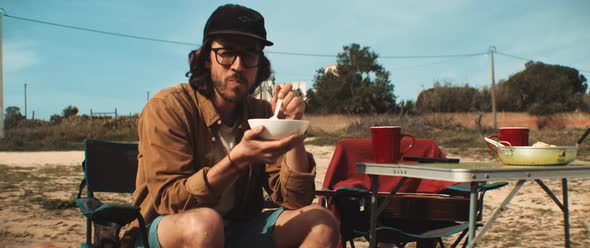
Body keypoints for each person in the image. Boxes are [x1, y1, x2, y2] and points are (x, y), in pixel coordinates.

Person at [122, 4, 339, 248]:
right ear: (206, 59)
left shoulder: (260, 114)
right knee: (205, 224)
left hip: (238, 229)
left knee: (320, 222)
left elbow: (296, 200)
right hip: (164, 230)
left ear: (259, 65)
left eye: (249, 54)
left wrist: (293, 128)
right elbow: (169, 201)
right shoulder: (169, 107)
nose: (238, 65)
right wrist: (236, 161)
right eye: (226, 53)